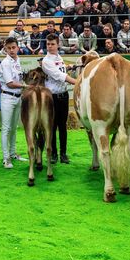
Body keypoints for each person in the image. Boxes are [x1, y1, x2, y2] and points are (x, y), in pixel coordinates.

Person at [42, 33, 77, 164]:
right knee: (52, 126)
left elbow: (61, 70)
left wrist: (67, 67)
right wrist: (77, 82)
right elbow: (58, 75)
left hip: (64, 95)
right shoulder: (46, 61)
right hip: (52, 97)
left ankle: (63, 154)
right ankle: (53, 154)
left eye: (52, 44)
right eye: (48, 44)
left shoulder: (59, 57)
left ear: (58, 45)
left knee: (62, 126)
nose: (50, 47)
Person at [0, 37, 27, 168]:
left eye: (13, 47)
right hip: (7, 97)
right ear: (5, 49)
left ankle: (12, 153)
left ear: (17, 48)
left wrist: (23, 86)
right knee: (6, 129)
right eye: (8, 48)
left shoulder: (17, 60)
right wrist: (25, 86)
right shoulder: (5, 63)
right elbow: (10, 83)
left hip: (17, 97)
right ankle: (6, 158)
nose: (11, 50)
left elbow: (18, 79)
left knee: (14, 128)